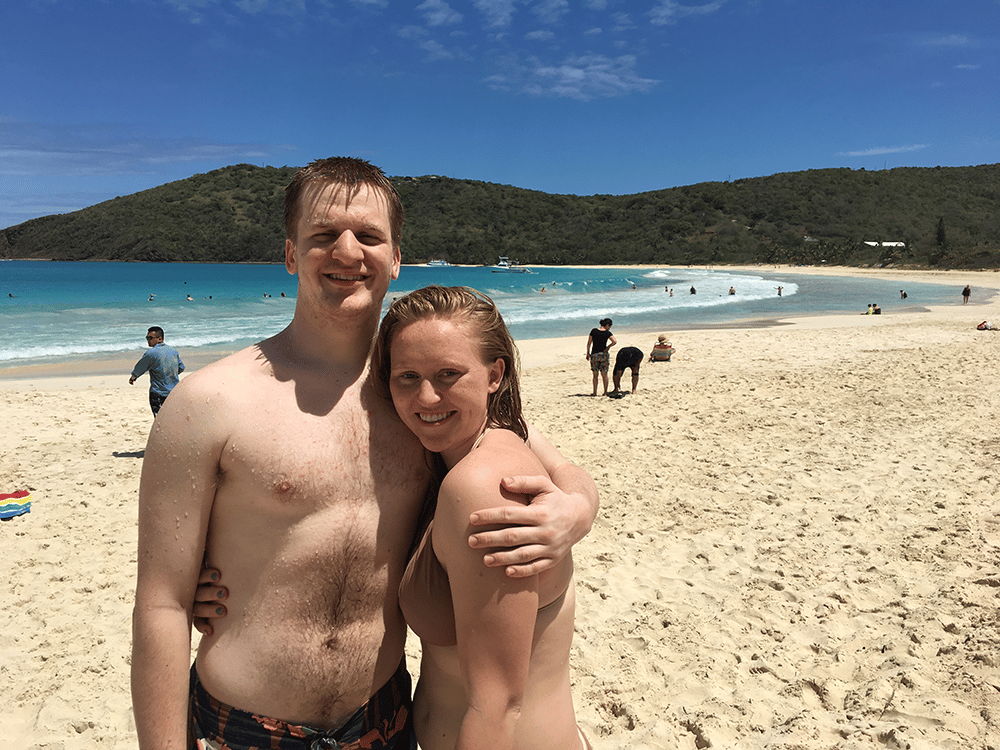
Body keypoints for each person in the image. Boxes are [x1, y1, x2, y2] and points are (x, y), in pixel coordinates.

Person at [131, 158, 598, 750]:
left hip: (386, 721)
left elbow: (557, 469)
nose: (347, 252)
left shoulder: (420, 395)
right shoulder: (209, 403)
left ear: (396, 256)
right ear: (291, 254)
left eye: (370, 236)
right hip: (244, 727)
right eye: (323, 235)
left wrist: (575, 512)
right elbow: (161, 605)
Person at [377, 285, 590, 749]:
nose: (427, 397)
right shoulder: (498, 434)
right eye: (407, 376)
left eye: (448, 374)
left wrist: (577, 509)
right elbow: (571, 470)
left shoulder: (479, 487)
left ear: (495, 375)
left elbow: (496, 705)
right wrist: (579, 505)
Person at [128, 326, 185, 416]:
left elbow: (141, 366)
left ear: (160, 338)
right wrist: (168, 373)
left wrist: (134, 376)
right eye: (147, 337)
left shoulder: (151, 353)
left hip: (158, 393)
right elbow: (181, 367)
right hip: (173, 392)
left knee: (158, 418)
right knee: (171, 417)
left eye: (150, 338)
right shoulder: (173, 351)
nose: (148, 340)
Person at [585, 318, 616, 396]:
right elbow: (614, 341)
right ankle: (605, 392)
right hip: (603, 354)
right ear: (607, 325)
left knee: (595, 375)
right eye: (610, 326)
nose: (609, 328)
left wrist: (588, 353)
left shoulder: (594, 331)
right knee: (604, 374)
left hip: (594, 354)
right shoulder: (607, 333)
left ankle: (595, 392)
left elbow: (589, 343)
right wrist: (608, 347)